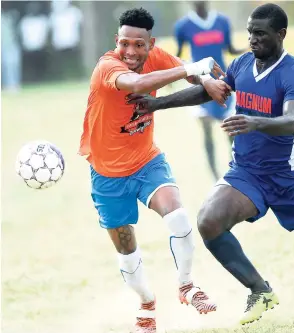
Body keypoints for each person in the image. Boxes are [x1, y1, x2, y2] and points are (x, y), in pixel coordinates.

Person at [127, 3, 294, 326]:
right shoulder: (241, 63)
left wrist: (255, 122)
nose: (252, 40)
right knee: (209, 221)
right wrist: (157, 103)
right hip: (248, 173)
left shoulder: (292, 72)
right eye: (249, 33)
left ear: (281, 34)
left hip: (292, 178)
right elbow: (208, 93)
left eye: (260, 34)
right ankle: (260, 290)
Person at [78, 8, 229, 333]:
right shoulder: (108, 67)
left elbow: (190, 75)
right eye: (124, 44)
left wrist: (206, 79)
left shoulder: (157, 56)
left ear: (151, 43)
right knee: (127, 253)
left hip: (147, 162)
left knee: (178, 216)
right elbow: (138, 82)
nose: (130, 52)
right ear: (116, 41)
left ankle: (187, 286)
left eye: (138, 45)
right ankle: (146, 302)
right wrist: (193, 68)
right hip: (107, 175)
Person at [174, 1, 246, 180]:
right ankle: (215, 176)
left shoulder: (222, 21)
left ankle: (235, 170)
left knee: (231, 128)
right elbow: (178, 55)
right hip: (200, 83)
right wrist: (170, 75)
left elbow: (230, 49)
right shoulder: (183, 26)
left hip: (224, 81)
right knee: (207, 129)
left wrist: (251, 49)